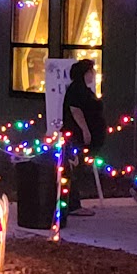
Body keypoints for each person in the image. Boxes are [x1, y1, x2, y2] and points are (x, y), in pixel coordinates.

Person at [61, 58, 105, 220]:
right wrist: (85, 130)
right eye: (91, 71)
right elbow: (75, 110)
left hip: (82, 136)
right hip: (76, 136)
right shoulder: (77, 89)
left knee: (76, 169)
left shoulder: (84, 89)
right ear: (85, 73)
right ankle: (72, 205)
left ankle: (73, 203)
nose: (93, 74)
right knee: (73, 168)